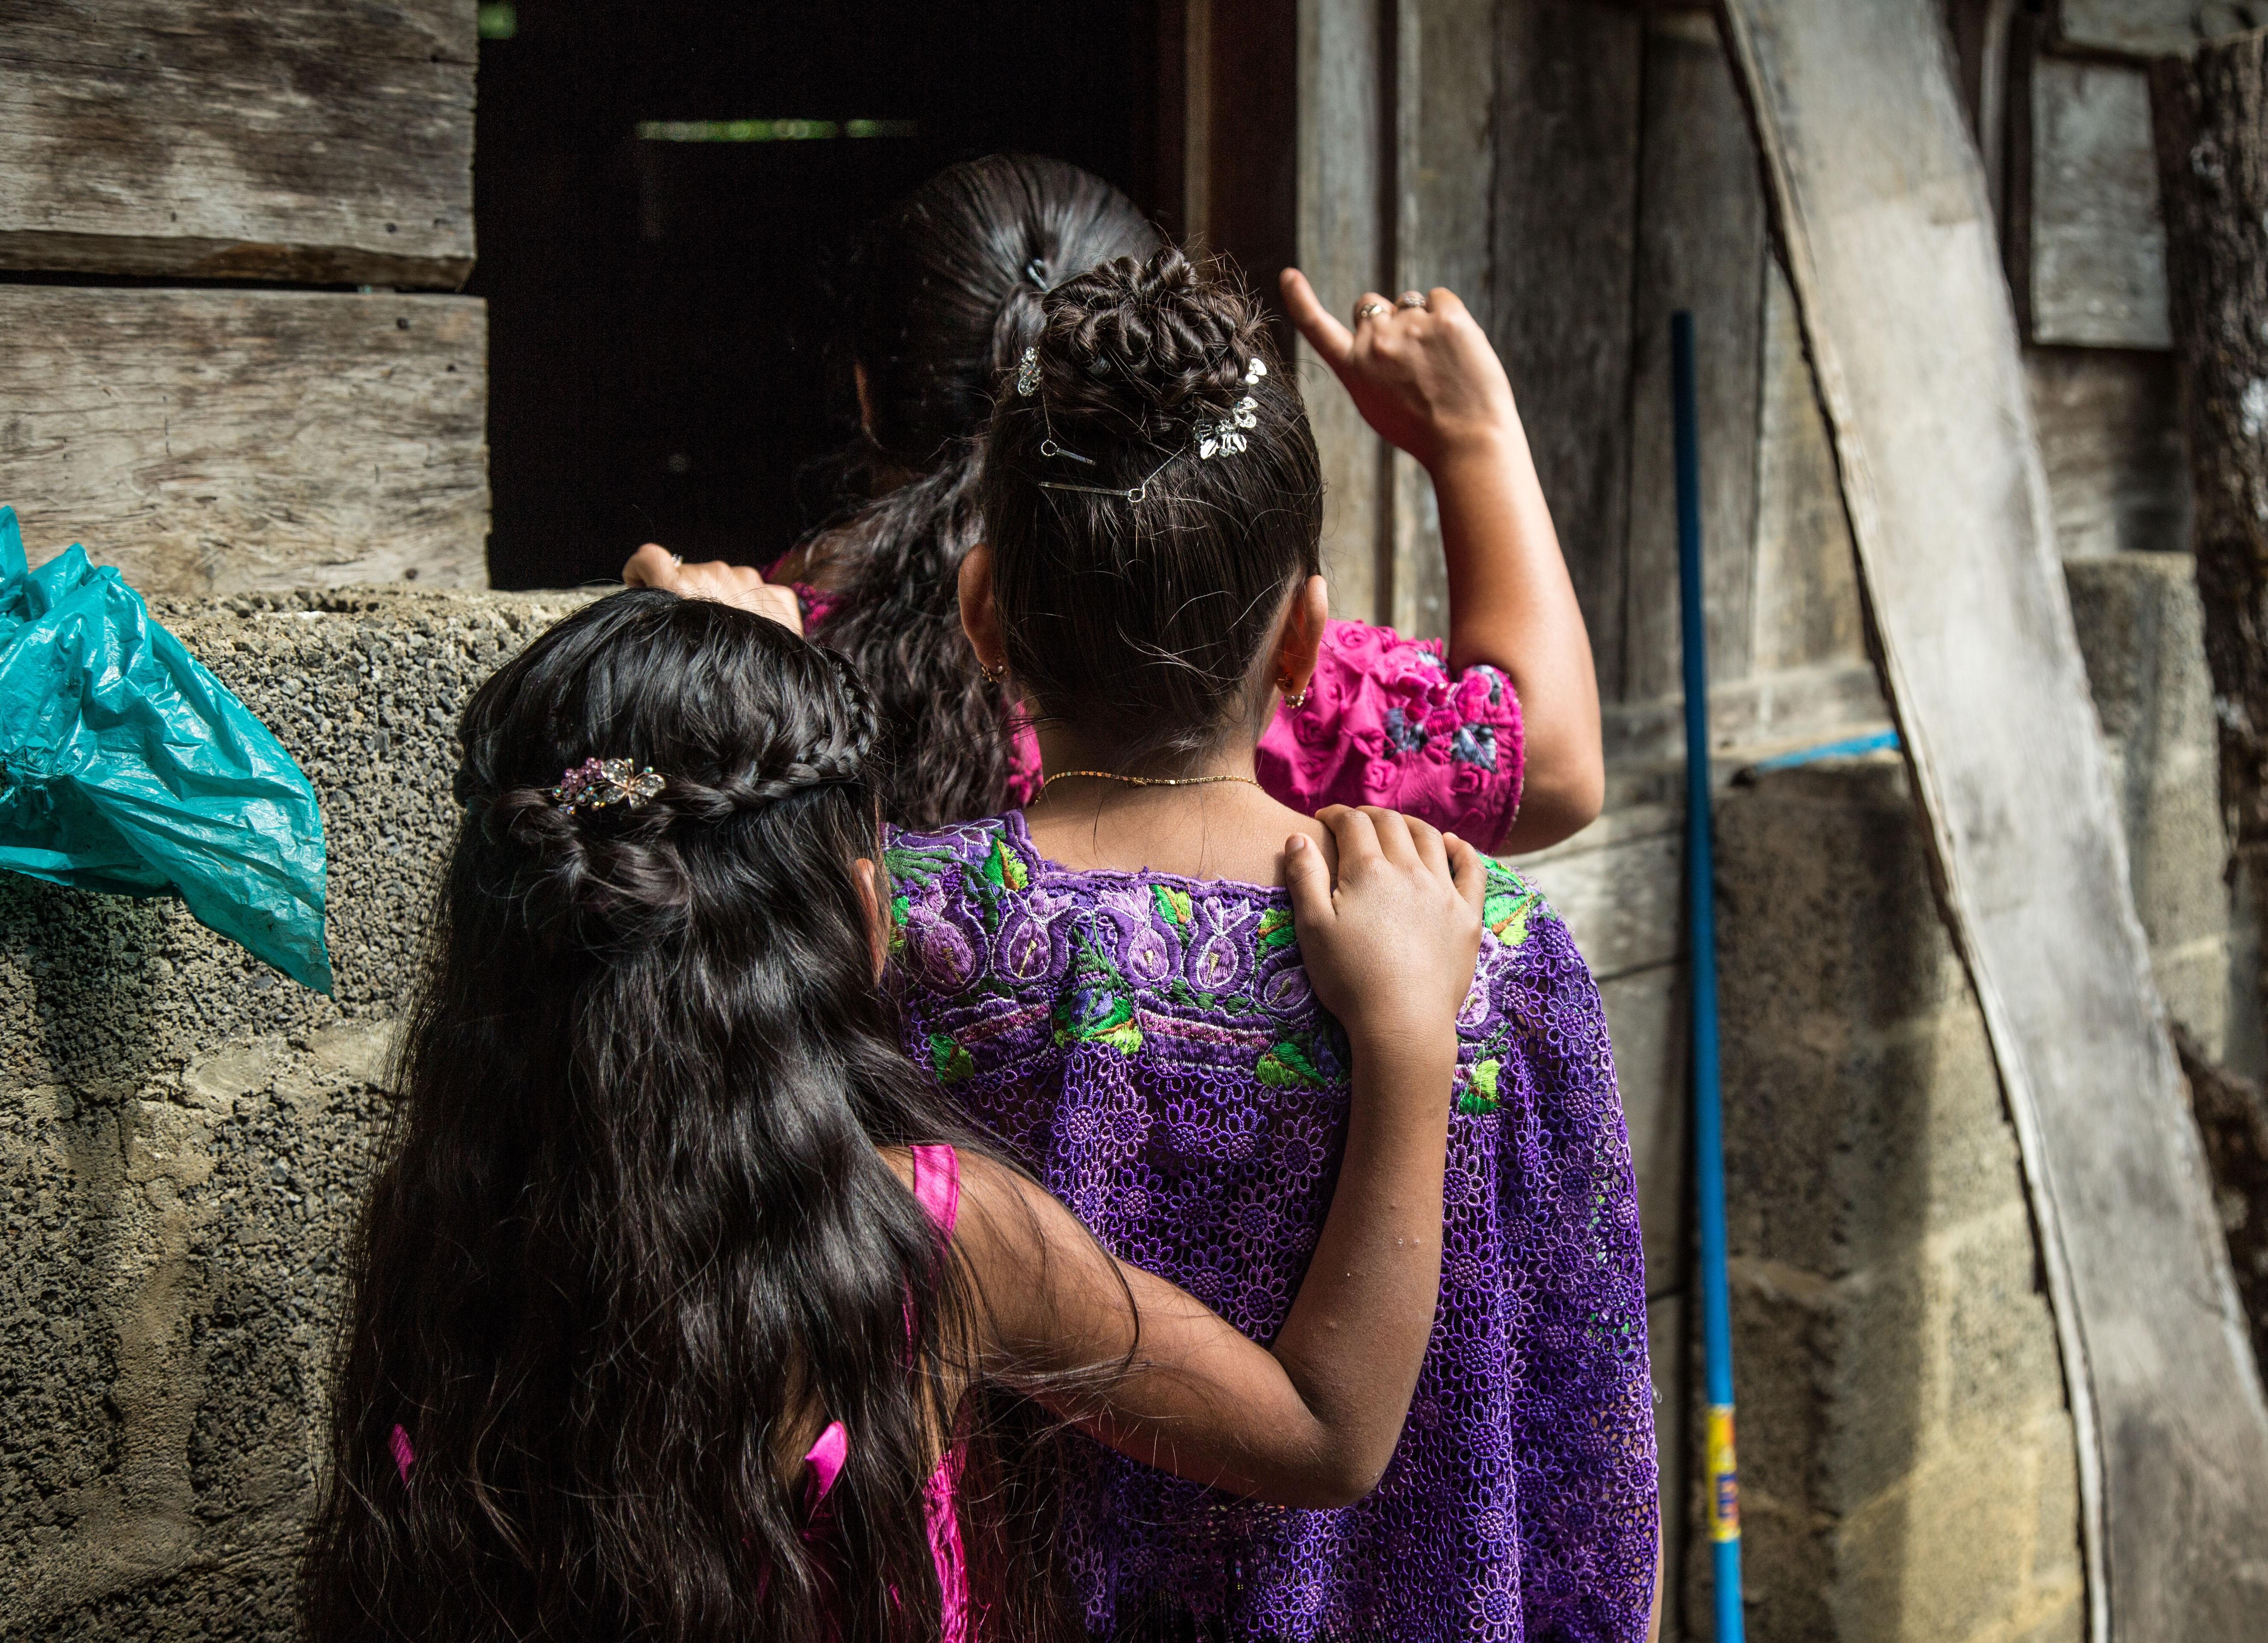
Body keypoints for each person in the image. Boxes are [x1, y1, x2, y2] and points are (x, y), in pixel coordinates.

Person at [300, 589, 1490, 1643]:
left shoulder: (448, 1242)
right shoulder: (926, 1241)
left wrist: (728, 702)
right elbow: (1326, 1434)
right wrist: (1406, 1035)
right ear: (868, 916)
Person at [886, 250, 1657, 1639]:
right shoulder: (1496, 966)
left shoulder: (897, 941)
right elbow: (1587, 1462)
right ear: (1308, 639)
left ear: (985, 613)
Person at [625, 153, 1603, 854]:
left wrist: (709, 661)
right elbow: (1550, 771)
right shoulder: (1240, 674)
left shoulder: (779, 676)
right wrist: (1473, 435)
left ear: (868, 392)